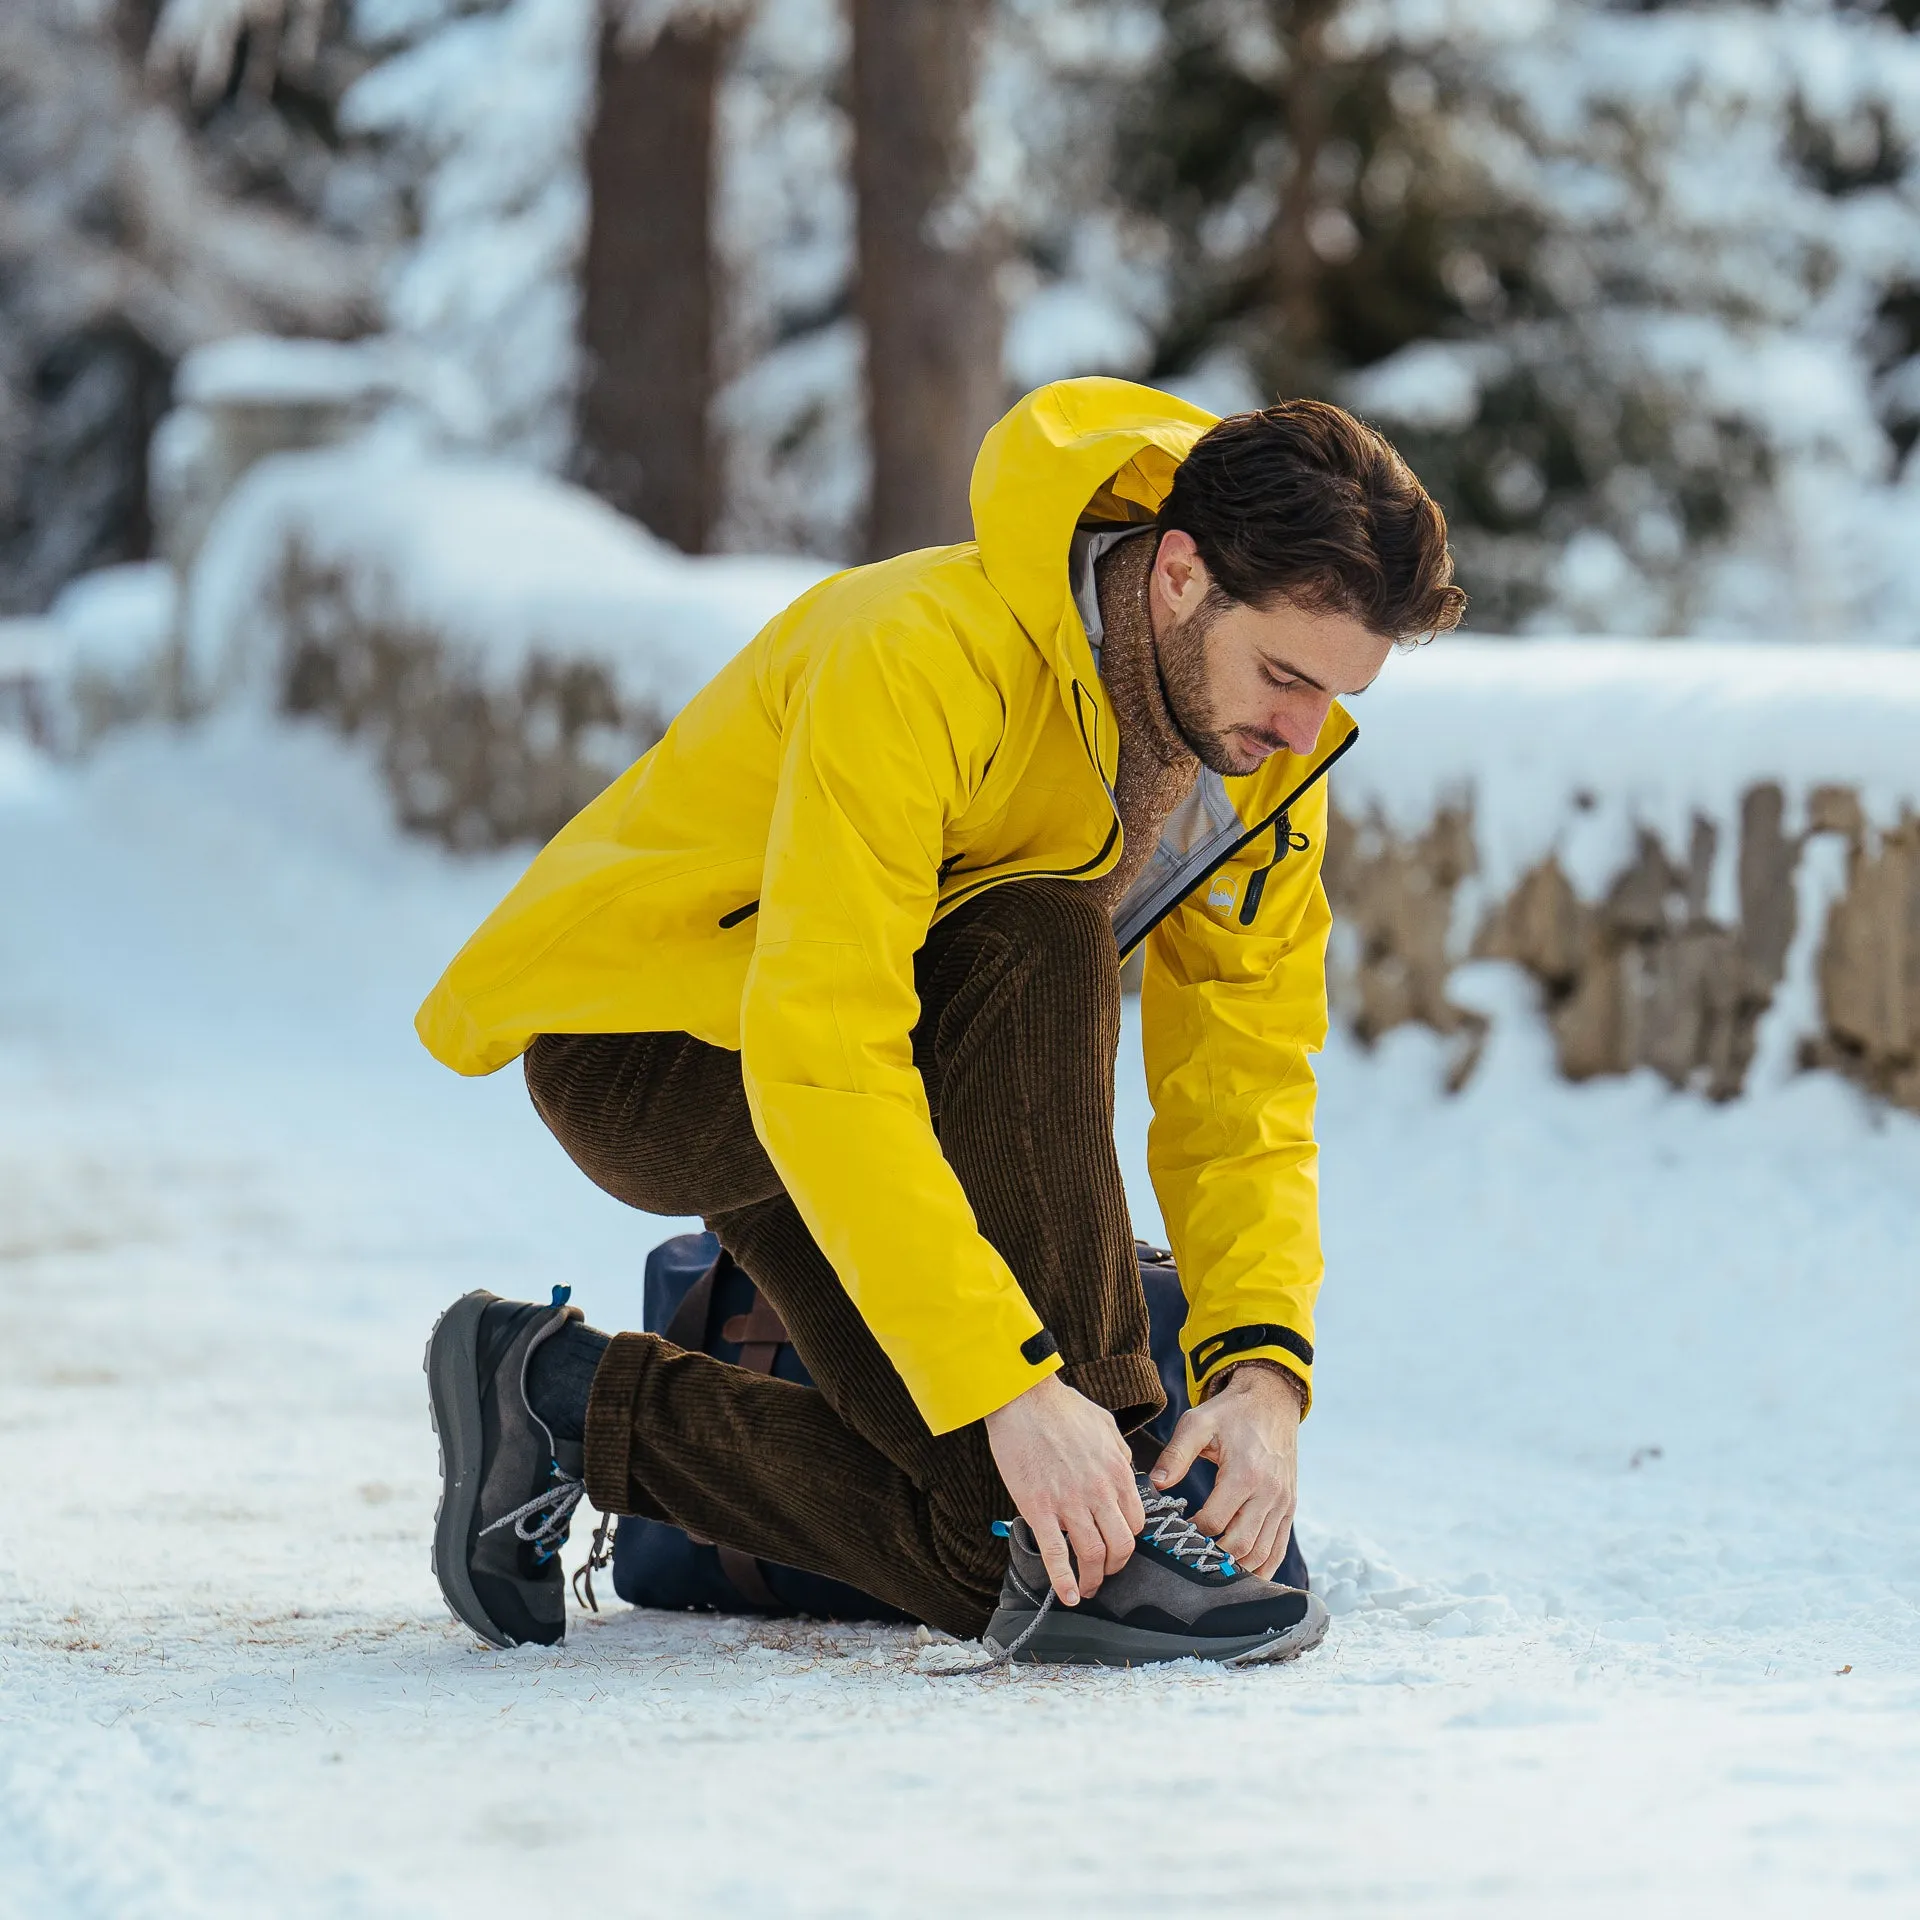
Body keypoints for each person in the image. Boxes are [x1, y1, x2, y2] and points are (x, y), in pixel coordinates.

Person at [418, 378, 1465, 1666]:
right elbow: (823, 1039)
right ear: (1183, 576)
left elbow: (1244, 1088)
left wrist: (1265, 1377)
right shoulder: (921, 652)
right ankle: (1125, 1463)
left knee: (1019, 1553)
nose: (1307, 732)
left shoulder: (1261, 764)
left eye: (1339, 694)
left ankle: (550, 1394)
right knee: (1042, 922)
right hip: (665, 1053)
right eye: (1289, 676)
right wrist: (1020, 1387)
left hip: (885, 1085)